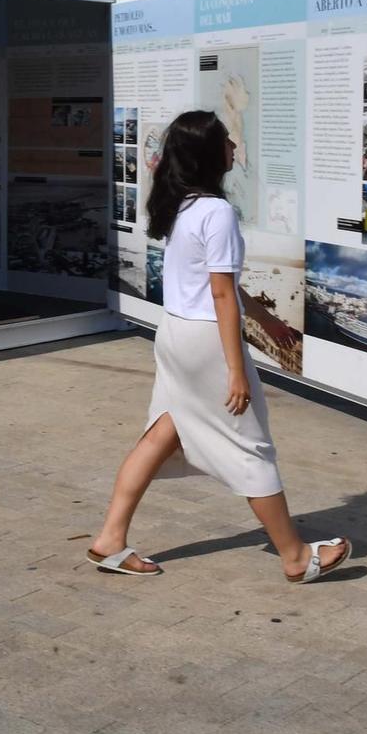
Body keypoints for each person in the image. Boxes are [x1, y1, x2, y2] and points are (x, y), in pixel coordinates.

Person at [87, 110, 351, 583]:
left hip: (175, 335)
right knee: (250, 446)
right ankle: (295, 557)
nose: (234, 147)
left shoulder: (181, 205)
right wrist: (235, 369)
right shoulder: (218, 212)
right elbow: (221, 293)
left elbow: (217, 283)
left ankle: (110, 538)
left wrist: (268, 319)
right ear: (211, 154)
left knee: (161, 433)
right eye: (227, 141)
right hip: (208, 343)